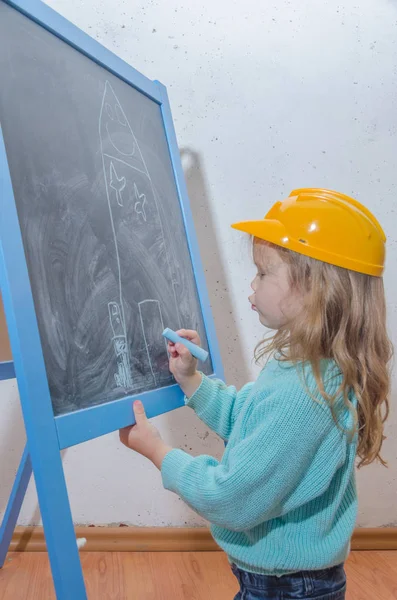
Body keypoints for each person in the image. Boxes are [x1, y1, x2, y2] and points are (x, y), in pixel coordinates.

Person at [119, 188, 392, 600]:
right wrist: (191, 380)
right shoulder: (309, 369)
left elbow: (230, 499)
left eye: (264, 273)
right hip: (291, 579)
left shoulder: (303, 395)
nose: (252, 283)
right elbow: (245, 419)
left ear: (314, 289)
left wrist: (158, 452)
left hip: (285, 587)